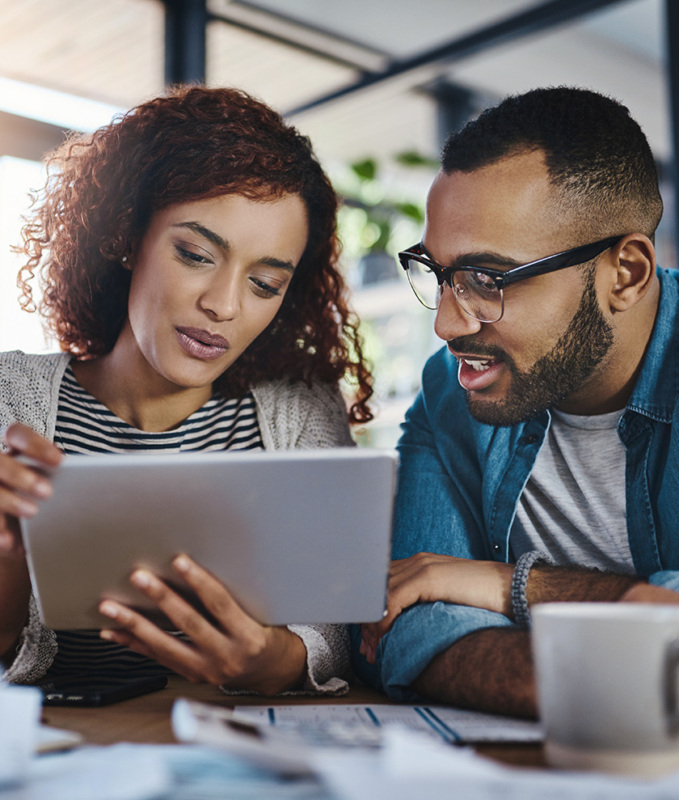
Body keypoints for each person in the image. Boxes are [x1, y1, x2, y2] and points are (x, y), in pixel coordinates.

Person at [0, 85, 373, 696]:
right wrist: (10, 551)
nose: (223, 305)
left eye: (264, 283)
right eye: (196, 254)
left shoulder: (299, 411)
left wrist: (275, 661)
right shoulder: (9, 399)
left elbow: (332, 632)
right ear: (126, 235)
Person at [355, 86, 679, 718]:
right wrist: (633, 660)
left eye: (487, 279)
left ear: (627, 273)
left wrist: (507, 587)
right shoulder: (451, 392)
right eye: (440, 273)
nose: (447, 325)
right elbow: (407, 625)